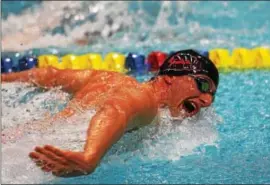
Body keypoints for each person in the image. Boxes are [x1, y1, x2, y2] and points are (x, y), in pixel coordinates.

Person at [1, 49, 219, 177]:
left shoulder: (110, 79)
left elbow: (50, 75)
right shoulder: (147, 102)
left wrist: (3, 79)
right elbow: (116, 109)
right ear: (171, 76)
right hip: (32, 158)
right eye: (203, 85)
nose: (207, 100)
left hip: (17, 137)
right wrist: (90, 158)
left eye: (212, 95)